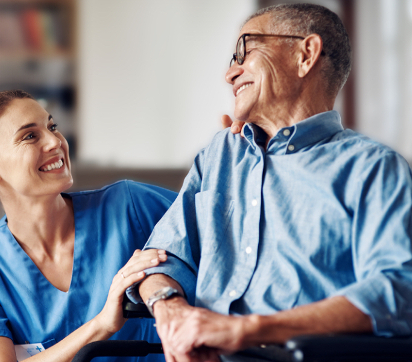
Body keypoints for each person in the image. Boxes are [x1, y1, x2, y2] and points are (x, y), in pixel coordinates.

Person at [131, 3, 412, 362]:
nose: (230, 73)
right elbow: (162, 260)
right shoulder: (219, 156)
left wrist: (248, 330)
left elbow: (398, 290)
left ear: (305, 54)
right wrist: (171, 310)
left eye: (245, 52)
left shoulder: (372, 168)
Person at [0, 90, 178, 362]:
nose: (55, 141)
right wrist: (102, 325)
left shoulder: (130, 206)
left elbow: (221, 218)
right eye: (29, 136)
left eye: (52, 127)